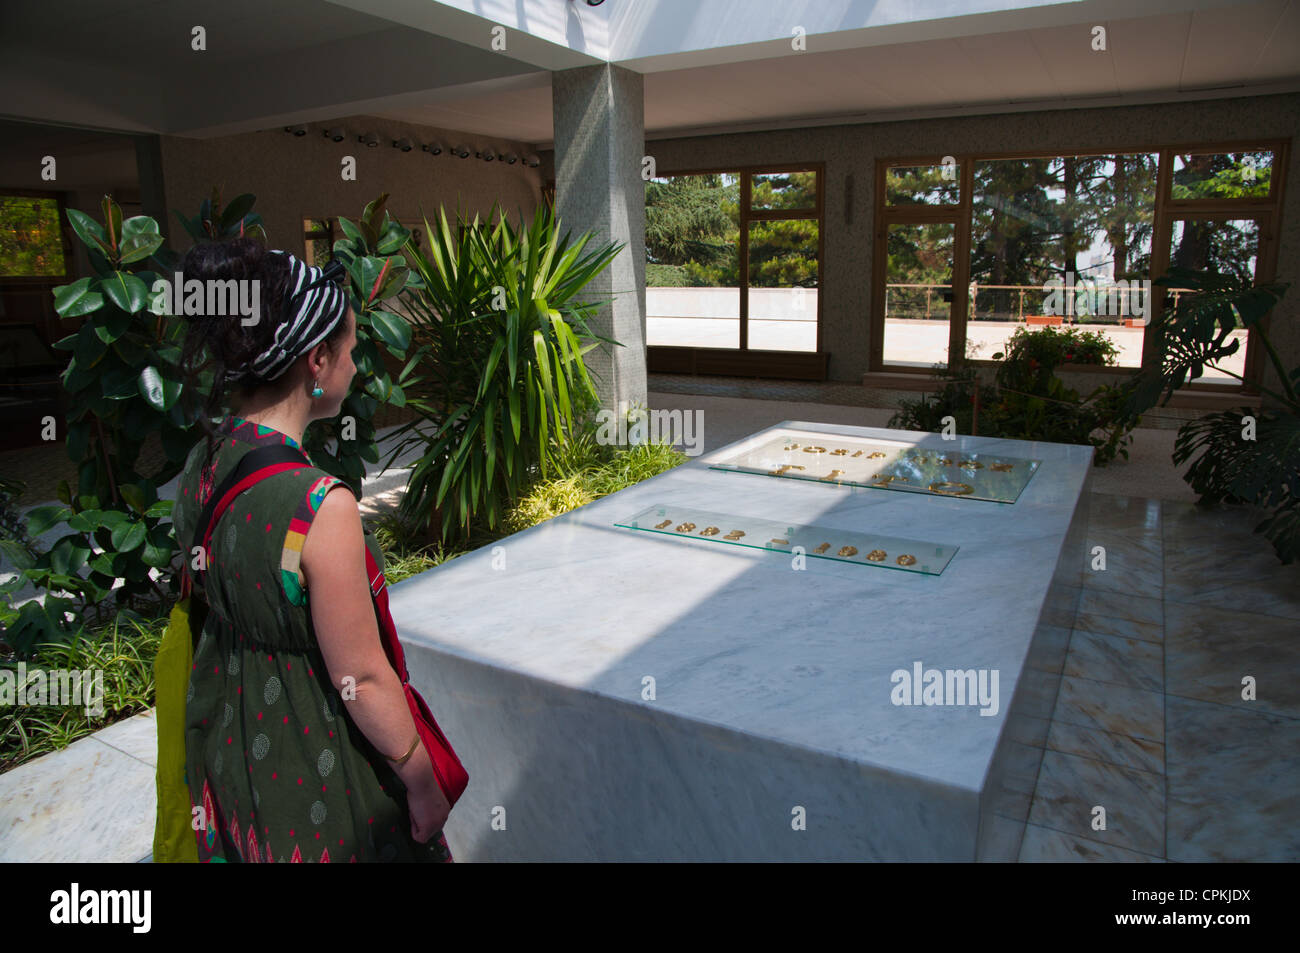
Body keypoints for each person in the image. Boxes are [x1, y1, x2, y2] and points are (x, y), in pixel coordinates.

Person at [170, 237, 453, 862]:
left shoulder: (204, 463)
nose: (357, 367)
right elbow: (362, 677)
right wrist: (423, 783)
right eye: (351, 350)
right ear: (317, 360)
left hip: (232, 743)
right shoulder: (320, 505)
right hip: (318, 767)